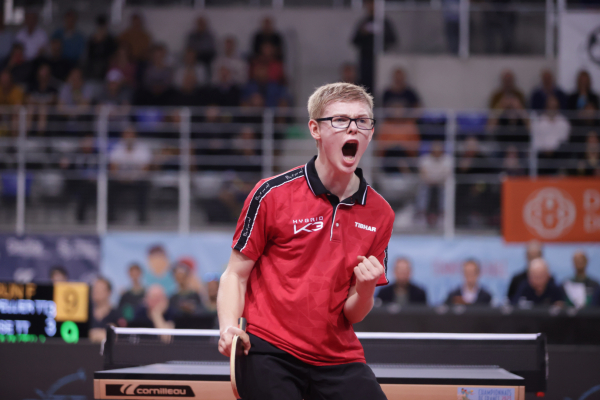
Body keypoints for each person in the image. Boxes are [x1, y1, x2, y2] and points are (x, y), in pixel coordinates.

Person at [217, 82, 394, 400]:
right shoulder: (271, 194)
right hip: (270, 351)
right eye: (340, 120)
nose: (353, 128)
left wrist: (366, 289)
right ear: (315, 129)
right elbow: (235, 274)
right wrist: (229, 326)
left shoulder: (381, 213)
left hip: (338, 359)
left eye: (363, 120)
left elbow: (352, 313)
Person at [108, 126, 152, 224]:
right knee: (110, 186)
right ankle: (110, 217)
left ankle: (142, 217)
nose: (129, 137)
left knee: (144, 185)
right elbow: (113, 168)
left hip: (137, 179)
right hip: (120, 179)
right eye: (126, 135)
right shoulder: (117, 148)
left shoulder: (142, 148)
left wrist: (133, 177)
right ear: (123, 136)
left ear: (135, 136)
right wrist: (121, 177)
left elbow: (145, 169)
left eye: (131, 135)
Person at [351, 0, 396, 94]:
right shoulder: (363, 22)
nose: (371, 6)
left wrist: (381, 33)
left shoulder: (384, 22)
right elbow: (354, 40)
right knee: (366, 85)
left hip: (380, 58)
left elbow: (393, 40)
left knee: (380, 83)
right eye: (369, 4)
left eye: (373, 4)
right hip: (366, 58)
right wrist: (363, 33)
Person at [531, 95, 570, 175]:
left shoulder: (564, 123)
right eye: (550, 106)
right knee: (539, 158)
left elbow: (564, 141)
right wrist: (545, 149)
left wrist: (553, 148)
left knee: (563, 153)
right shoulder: (539, 122)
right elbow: (535, 142)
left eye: (554, 107)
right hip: (542, 154)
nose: (552, 109)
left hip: (557, 154)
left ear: (558, 107)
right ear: (546, 107)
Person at [418, 141, 452, 227]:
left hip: (441, 184)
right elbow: (423, 174)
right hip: (428, 183)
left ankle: (443, 216)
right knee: (423, 190)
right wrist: (431, 181)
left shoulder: (447, 159)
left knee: (445, 191)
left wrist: (436, 181)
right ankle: (422, 215)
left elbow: (447, 175)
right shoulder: (425, 159)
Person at [89, 277, 125, 343]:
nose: (96, 291)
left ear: (109, 292)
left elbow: (120, 337)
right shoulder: (87, 314)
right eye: (94, 288)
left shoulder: (116, 315)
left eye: (100, 289)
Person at [25, 63, 58, 136]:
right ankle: (28, 134)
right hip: (34, 109)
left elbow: (54, 100)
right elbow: (27, 99)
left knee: (43, 109)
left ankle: (40, 135)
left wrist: (40, 103)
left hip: (48, 111)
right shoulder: (32, 85)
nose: (44, 74)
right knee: (30, 108)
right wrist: (40, 102)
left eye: (46, 72)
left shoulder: (52, 87)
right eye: (42, 71)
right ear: (38, 73)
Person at [85, 15, 118, 82]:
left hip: (106, 64)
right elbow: (89, 55)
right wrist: (96, 42)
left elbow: (113, 54)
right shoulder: (92, 39)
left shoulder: (110, 39)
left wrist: (104, 40)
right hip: (93, 64)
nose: (101, 28)